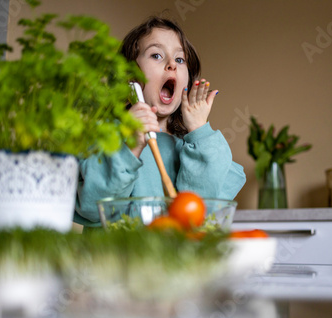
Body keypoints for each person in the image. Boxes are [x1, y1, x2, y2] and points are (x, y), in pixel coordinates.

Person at [74, 16, 246, 228]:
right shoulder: (108, 138)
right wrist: (130, 147)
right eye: (156, 55)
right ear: (130, 78)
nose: (172, 64)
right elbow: (94, 207)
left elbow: (197, 218)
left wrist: (199, 131)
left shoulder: (194, 148)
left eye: (180, 59)